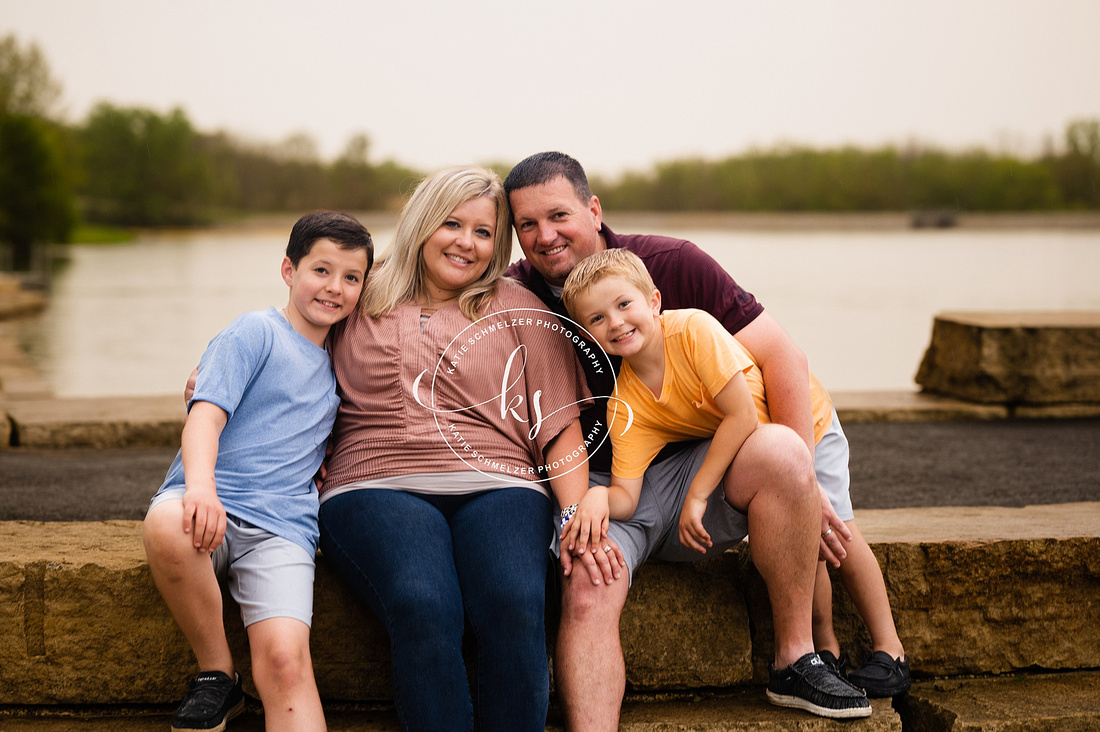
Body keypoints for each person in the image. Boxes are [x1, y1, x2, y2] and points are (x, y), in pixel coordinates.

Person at [502, 151, 870, 727]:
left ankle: (795, 660)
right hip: (610, 481)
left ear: (594, 210)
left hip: (711, 466)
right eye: (527, 225)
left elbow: (783, 358)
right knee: (588, 583)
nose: (545, 236)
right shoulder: (515, 295)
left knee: (782, 452)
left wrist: (804, 486)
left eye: (559, 216)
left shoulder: (672, 266)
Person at [316, 166, 597, 732]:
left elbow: (560, 425)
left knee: (517, 604)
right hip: (374, 484)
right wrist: (224, 377)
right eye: (451, 224)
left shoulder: (520, 307)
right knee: (423, 604)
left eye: (484, 232)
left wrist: (572, 511)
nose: (466, 243)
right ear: (422, 223)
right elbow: (282, 351)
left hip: (500, 483)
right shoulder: (355, 295)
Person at [561, 249, 908, 704]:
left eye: (624, 305)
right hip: (760, 448)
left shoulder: (692, 330)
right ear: (589, 336)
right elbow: (626, 494)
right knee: (807, 538)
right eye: (598, 318)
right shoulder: (627, 401)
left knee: (836, 529)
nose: (617, 322)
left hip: (803, 421)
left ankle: (890, 649)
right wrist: (595, 499)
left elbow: (742, 416)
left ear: (654, 301)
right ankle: (827, 652)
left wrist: (698, 494)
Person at [144, 211, 374, 732]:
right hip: (211, 504)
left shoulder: (345, 362)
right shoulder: (255, 332)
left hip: (283, 529)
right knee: (166, 524)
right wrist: (201, 487)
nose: (334, 288)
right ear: (289, 271)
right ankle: (217, 675)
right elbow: (204, 417)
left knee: (286, 661)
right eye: (321, 270)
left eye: (351, 277)